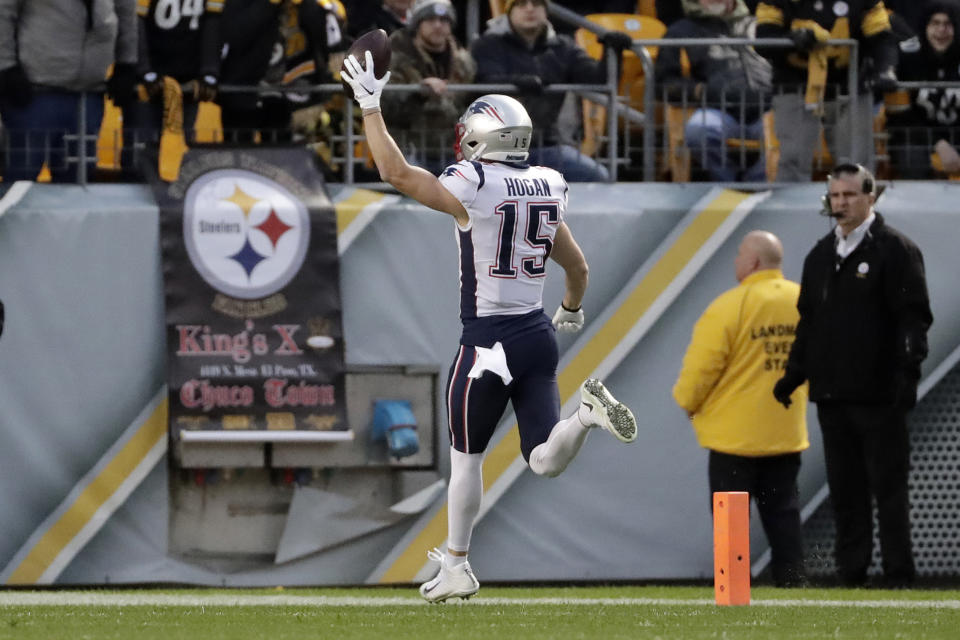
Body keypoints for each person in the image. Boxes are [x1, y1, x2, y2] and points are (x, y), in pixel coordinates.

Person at [340, 54, 639, 602]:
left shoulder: (474, 181)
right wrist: (570, 309)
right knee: (545, 458)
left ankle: (457, 564)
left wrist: (370, 106)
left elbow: (396, 173)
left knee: (465, 461)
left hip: (486, 343)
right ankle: (586, 415)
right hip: (536, 338)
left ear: (481, 137)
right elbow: (578, 268)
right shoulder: (549, 183)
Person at [773, 162, 933, 588]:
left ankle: (899, 576)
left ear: (871, 197)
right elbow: (808, 323)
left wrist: (907, 374)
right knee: (846, 492)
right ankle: (852, 575)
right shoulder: (821, 256)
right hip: (832, 395)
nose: (840, 204)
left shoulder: (894, 250)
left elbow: (913, 320)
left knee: (889, 490)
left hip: (880, 394)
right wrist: (794, 374)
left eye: (849, 196)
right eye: (835, 196)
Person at [673, 231, 808, 587]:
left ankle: (734, 590)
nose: (735, 261)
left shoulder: (729, 306)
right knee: (784, 518)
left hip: (734, 440)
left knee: (731, 524)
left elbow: (702, 368)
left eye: (738, 255)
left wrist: (687, 403)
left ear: (752, 263)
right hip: (785, 433)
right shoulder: (803, 301)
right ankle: (793, 590)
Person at [470, 0, 633, 182]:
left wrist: (613, 53)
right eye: (521, 4)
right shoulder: (487, 44)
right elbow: (485, 81)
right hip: (493, 148)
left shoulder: (563, 47)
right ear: (509, 12)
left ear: (546, 11)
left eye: (537, 4)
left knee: (598, 176)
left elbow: (597, 81)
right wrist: (518, 83)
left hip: (545, 145)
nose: (530, 9)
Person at [755, 0, 899, 180]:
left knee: (856, 164)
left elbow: (881, 36)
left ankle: (855, 206)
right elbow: (764, 38)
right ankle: (792, 207)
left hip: (849, 86)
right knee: (793, 158)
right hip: (796, 85)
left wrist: (885, 67)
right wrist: (793, 39)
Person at [0, 0, 137, 182]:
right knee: (20, 181)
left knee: (77, 184)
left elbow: (126, 11)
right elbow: (3, 11)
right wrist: (6, 67)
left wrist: (126, 63)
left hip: (89, 93)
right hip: (34, 92)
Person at [655, 0, 772, 182]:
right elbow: (664, 83)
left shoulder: (761, 27)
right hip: (718, 111)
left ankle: (754, 181)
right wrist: (702, 91)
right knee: (698, 131)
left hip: (767, 111)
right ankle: (729, 182)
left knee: (791, 131)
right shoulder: (681, 31)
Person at [120, 0, 224, 172]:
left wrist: (209, 71)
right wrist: (145, 71)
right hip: (146, 86)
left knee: (180, 154)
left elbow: (213, 22)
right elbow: (133, 22)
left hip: (187, 85)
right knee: (140, 155)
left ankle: (175, 196)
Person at [382, 0, 476, 174]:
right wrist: (418, 92)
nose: (438, 26)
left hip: (453, 151)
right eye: (430, 20)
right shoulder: (394, 57)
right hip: (408, 149)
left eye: (444, 20)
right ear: (418, 24)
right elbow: (385, 104)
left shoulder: (464, 62)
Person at [886, 1, 960, 178]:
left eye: (948, 24)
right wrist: (939, 144)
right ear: (925, 26)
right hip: (916, 138)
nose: (941, 30)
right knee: (912, 159)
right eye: (935, 23)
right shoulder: (906, 61)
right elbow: (900, 117)